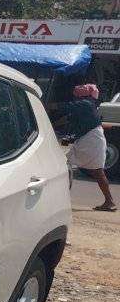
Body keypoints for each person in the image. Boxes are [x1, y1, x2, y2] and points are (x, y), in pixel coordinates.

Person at [59, 83, 115, 211]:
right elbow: (78, 124)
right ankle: (109, 201)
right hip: (88, 140)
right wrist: (71, 137)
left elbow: (66, 108)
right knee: (69, 164)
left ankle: (109, 201)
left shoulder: (85, 104)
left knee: (97, 172)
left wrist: (49, 105)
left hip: (92, 140)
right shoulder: (88, 105)